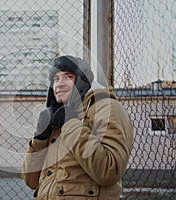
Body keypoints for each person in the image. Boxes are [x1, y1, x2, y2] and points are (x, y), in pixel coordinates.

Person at [21, 55, 133, 199]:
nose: (59, 84)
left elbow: (108, 171)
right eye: (55, 79)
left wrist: (70, 123)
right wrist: (40, 137)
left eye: (68, 77)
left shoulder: (106, 108)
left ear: (82, 82)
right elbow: (31, 181)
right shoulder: (56, 119)